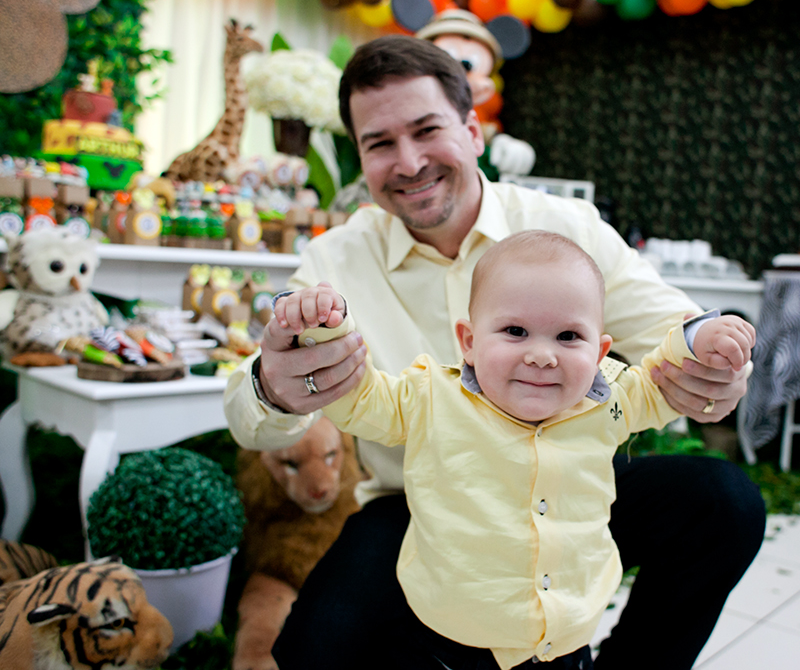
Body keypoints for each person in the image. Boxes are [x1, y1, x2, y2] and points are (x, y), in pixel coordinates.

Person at [224, 34, 766, 669]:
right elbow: (249, 407)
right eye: (380, 144)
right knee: (316, 644)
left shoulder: (569, 228)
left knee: (723, 502)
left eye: (427, 130)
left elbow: (676, 324)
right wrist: (276, 383)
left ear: (474, 129)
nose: (408, 162)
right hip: (419, 508)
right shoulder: (335, 260)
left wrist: (713, 362)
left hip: (567, 484)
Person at [267, 231, 756, 669]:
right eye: (515, 332)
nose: (542, 354)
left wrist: (696, 342)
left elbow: (661, 385)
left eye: (569, 337)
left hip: (564, 637)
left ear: (601, 352)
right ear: (469, 342)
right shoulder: (433, 398)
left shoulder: (610, 397)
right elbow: (364, 403)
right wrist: (325, 333)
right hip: (454, 645)